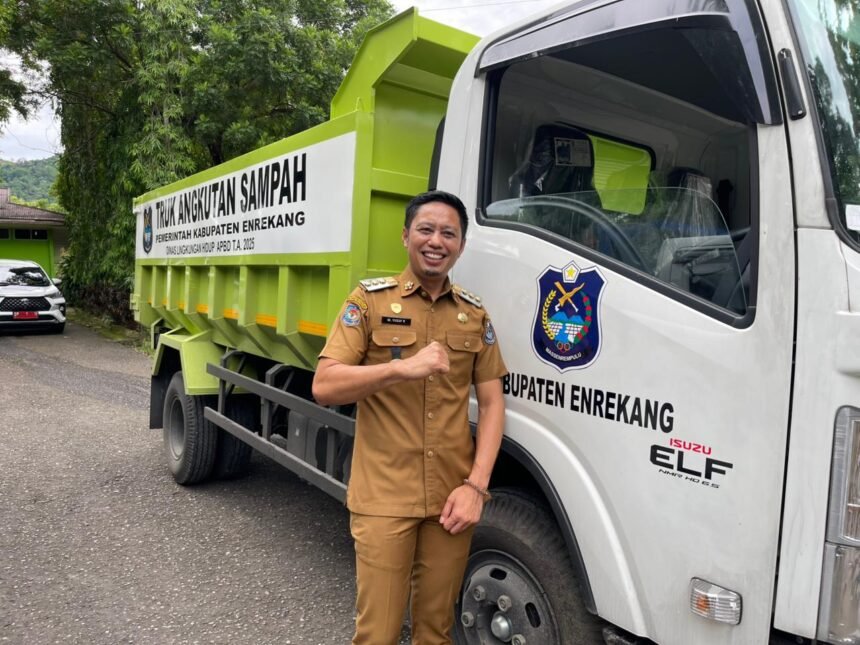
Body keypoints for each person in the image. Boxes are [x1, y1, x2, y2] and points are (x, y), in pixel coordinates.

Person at [312, 190, 507, 644]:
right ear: (405, 236)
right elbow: (324, 385)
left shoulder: (474, 315)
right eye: (425, 229)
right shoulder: (369, 301)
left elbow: (494, 404)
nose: (436, 240)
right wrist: (401, 367)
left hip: (451, 501)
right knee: (377, 634)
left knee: (436, 632)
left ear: (461, 244)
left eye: (448, 233)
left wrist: (476, 487)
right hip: (383, 497)